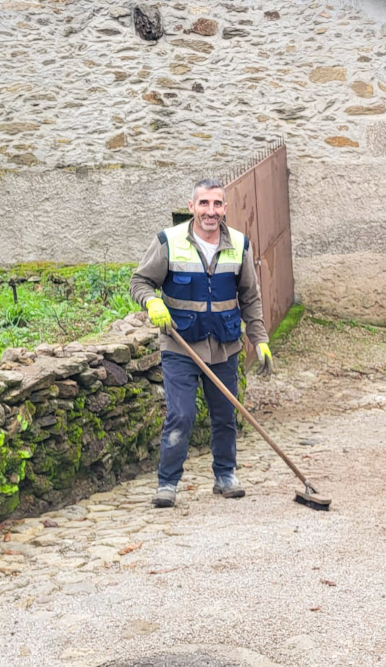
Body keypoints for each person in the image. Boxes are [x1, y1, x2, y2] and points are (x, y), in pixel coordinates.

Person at [130, 178, 274, 508]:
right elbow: (140, 281)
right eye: (205, 204)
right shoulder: (169, 241)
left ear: (225, 208)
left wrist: (260, 340)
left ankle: (225, 476)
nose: (211, 211)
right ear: (192, 206)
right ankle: (167, 483)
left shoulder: (239, 244)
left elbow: (250, 297)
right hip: (180, 345)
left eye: (217, 204)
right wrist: (152, 302)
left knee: (225, 414)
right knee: (181, 415)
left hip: (223, 345)